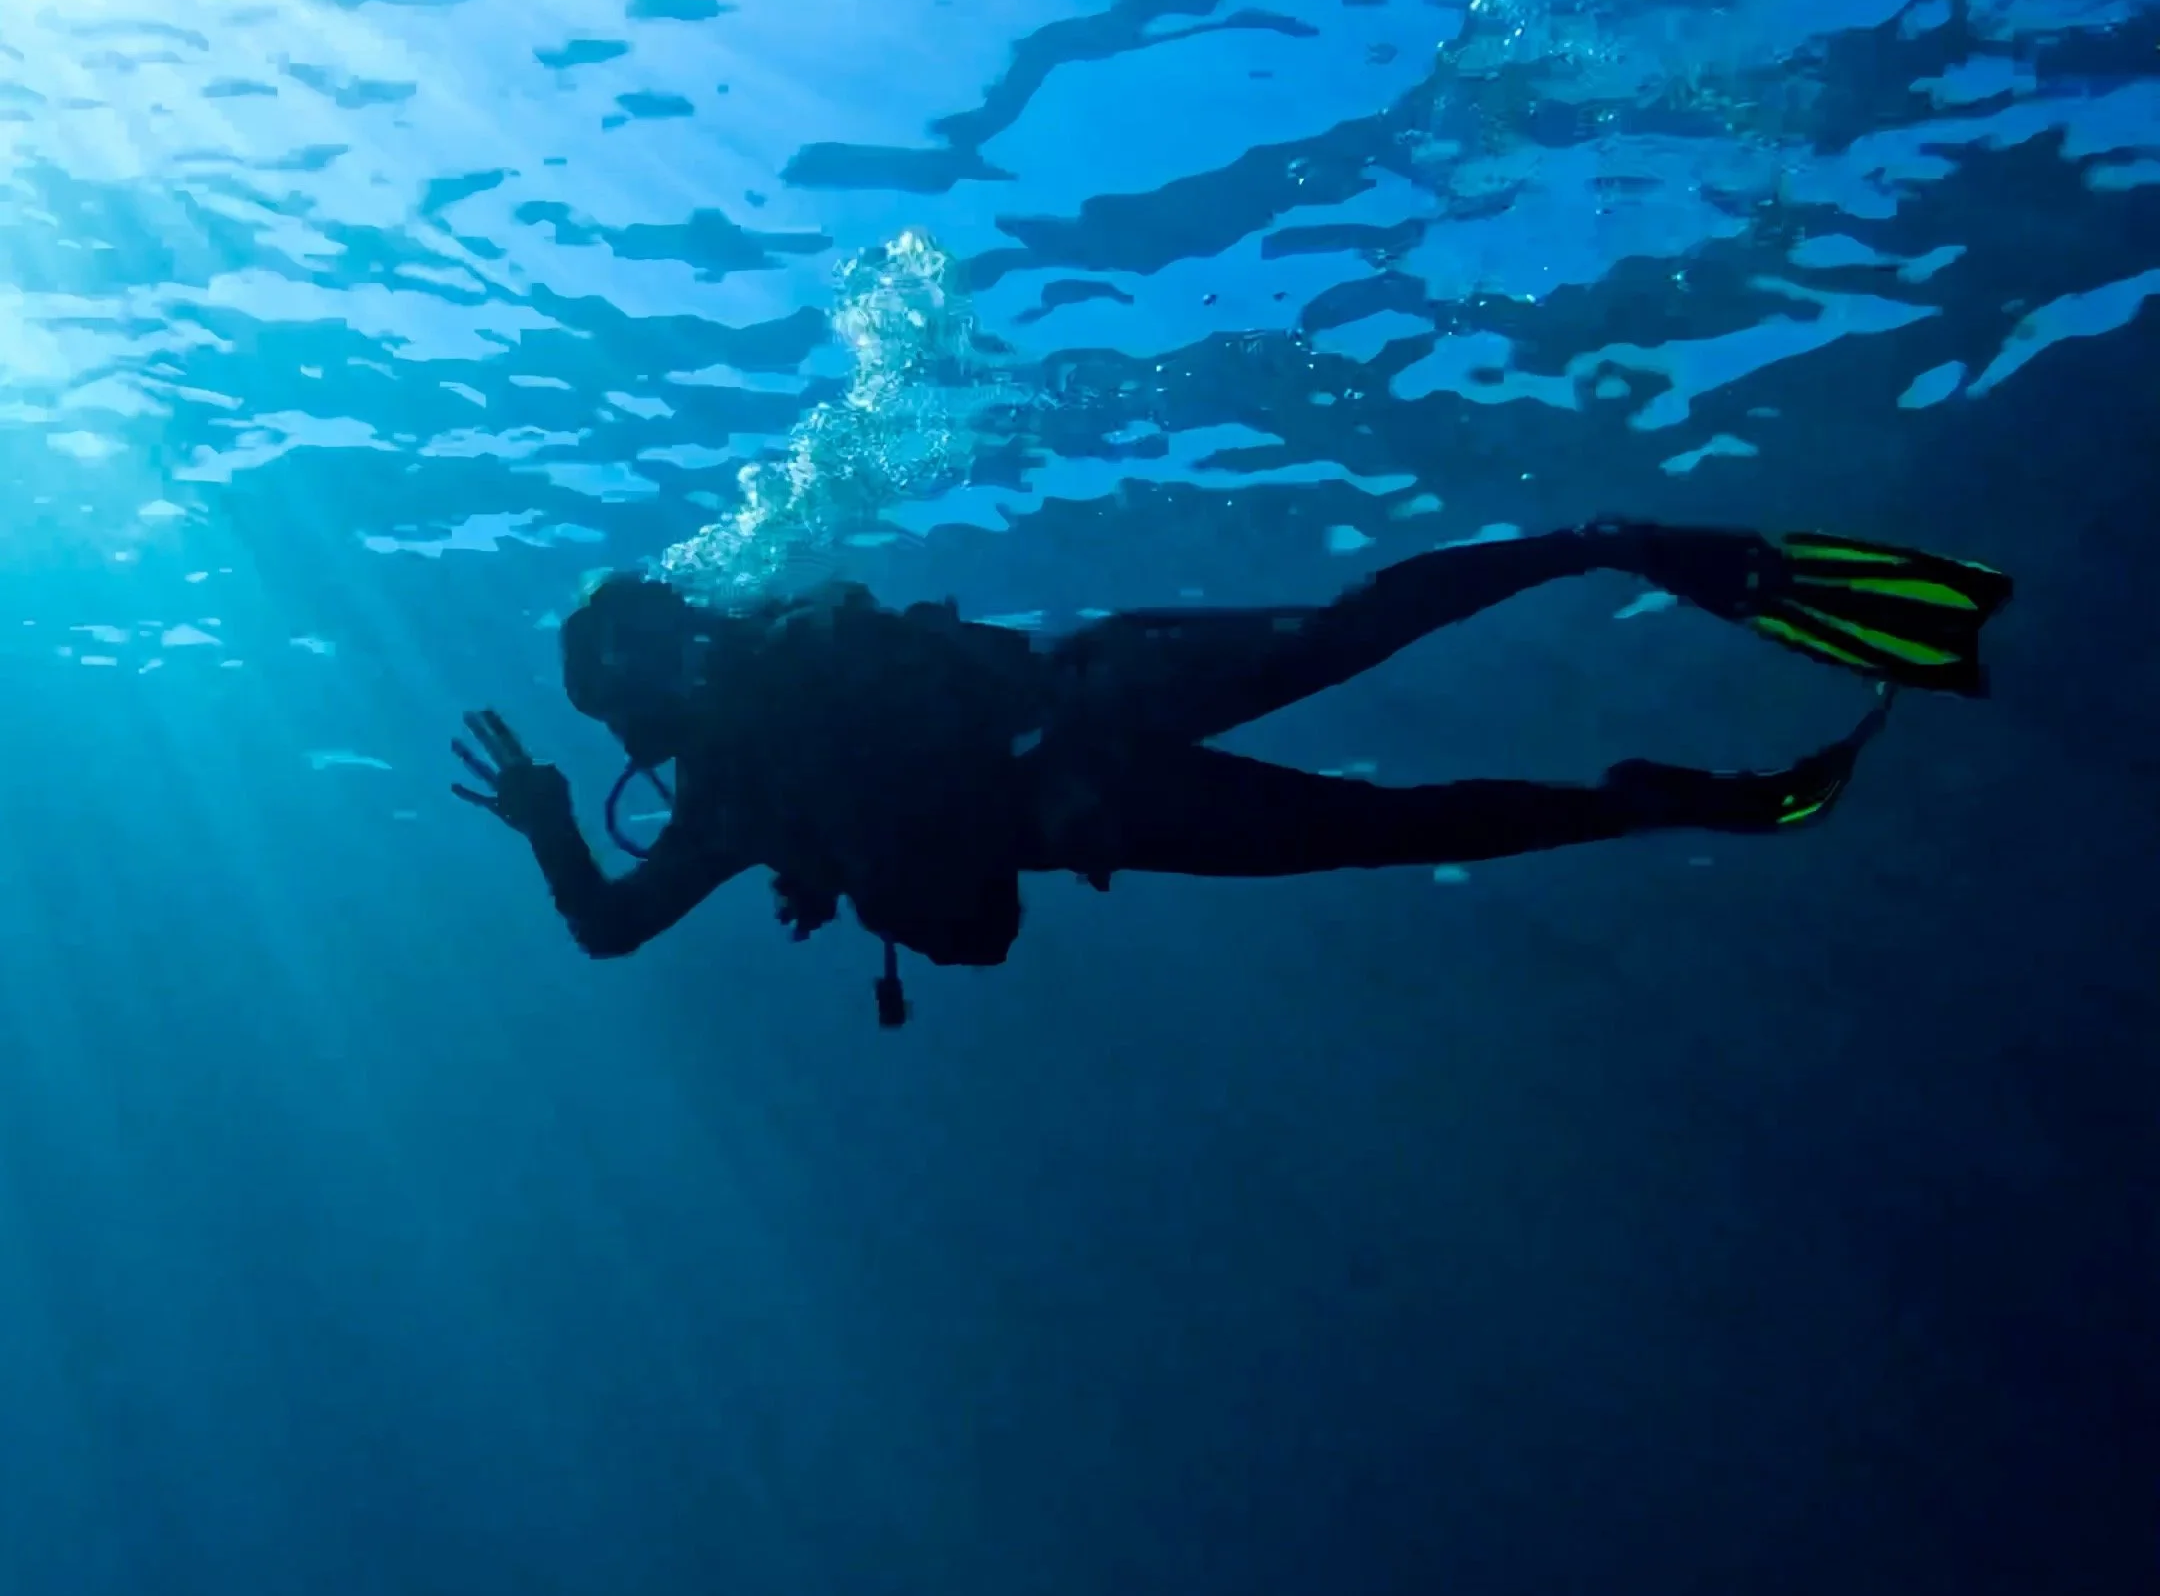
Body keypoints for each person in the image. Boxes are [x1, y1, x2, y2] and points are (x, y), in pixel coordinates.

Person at [452, 521, 2010, 1026]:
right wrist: (544, 838)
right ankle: (1663, 760)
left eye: (661, 634)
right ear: (634, 706)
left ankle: (1623, 593)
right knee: (1383, 794)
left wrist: (546, 834)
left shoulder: (757, 736)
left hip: (1093, 745)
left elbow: (610, 925)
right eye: (644, 659)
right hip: (1104, 749)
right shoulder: (740, 777)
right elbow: (611, 930)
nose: (677, 657)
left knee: (1372, 736)